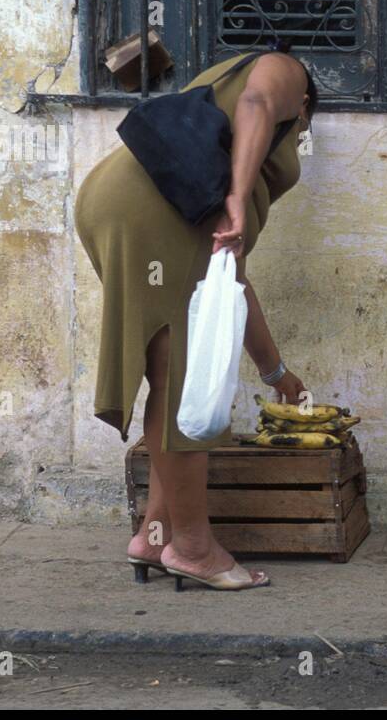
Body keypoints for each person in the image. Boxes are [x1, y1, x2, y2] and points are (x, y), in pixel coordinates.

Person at [74, 43, 316, 591]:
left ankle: (155, 534)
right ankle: (194, 548)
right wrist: (236, 193)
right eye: (301, 135)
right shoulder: (283, 71)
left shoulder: (209, 183)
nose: (296, 143)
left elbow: (232, 289)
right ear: (302, 107)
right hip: (150, 209)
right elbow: (257, 101)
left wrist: (277, 374)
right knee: (180, 382)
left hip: (124, 202)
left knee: (169, 370)